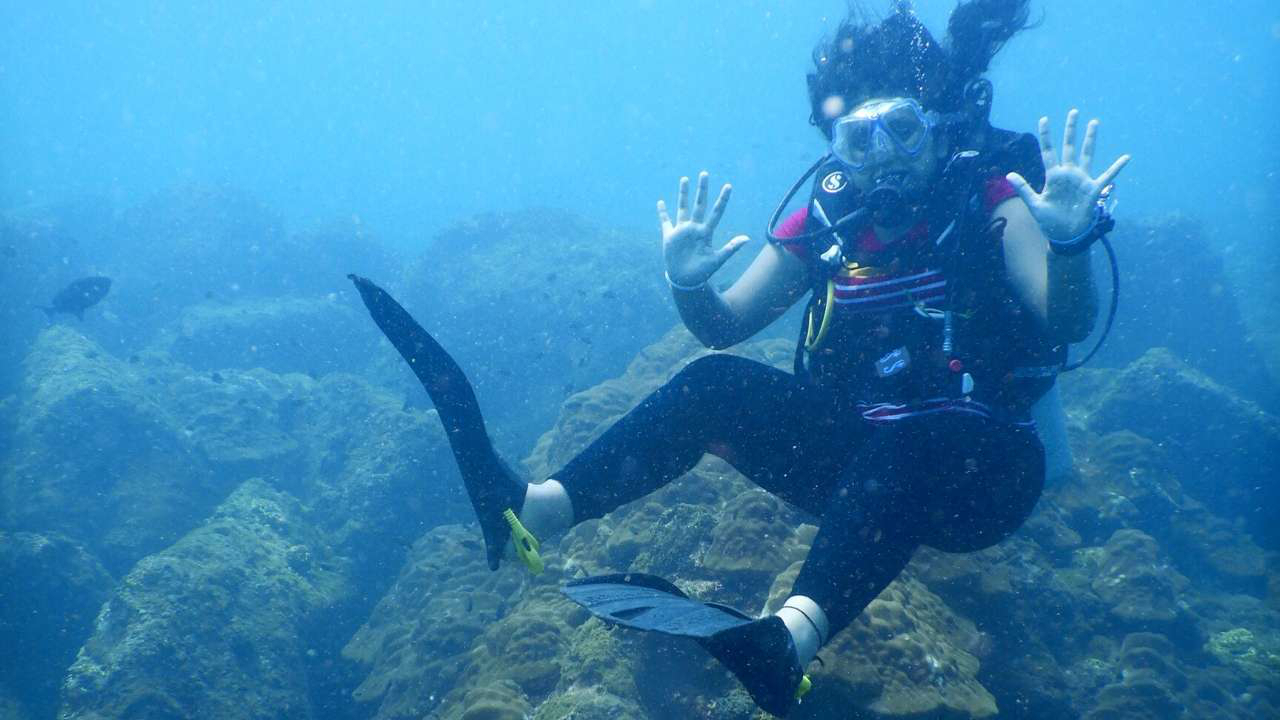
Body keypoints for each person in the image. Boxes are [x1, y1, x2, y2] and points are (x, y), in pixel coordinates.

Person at [351, 1, 1130, 715]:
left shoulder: (988, 195)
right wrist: (689, 285)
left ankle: (788, 639)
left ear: (935, 124)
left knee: (908, 444)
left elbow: (1066, 320)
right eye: (858, 140)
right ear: (836, 146)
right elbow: (723, 328)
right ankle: (539, 508)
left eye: (902, 130)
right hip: (863, 469)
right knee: (714, 385)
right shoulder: (831, 213)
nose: (883, 158)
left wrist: (1068, 244)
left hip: (986, 473)